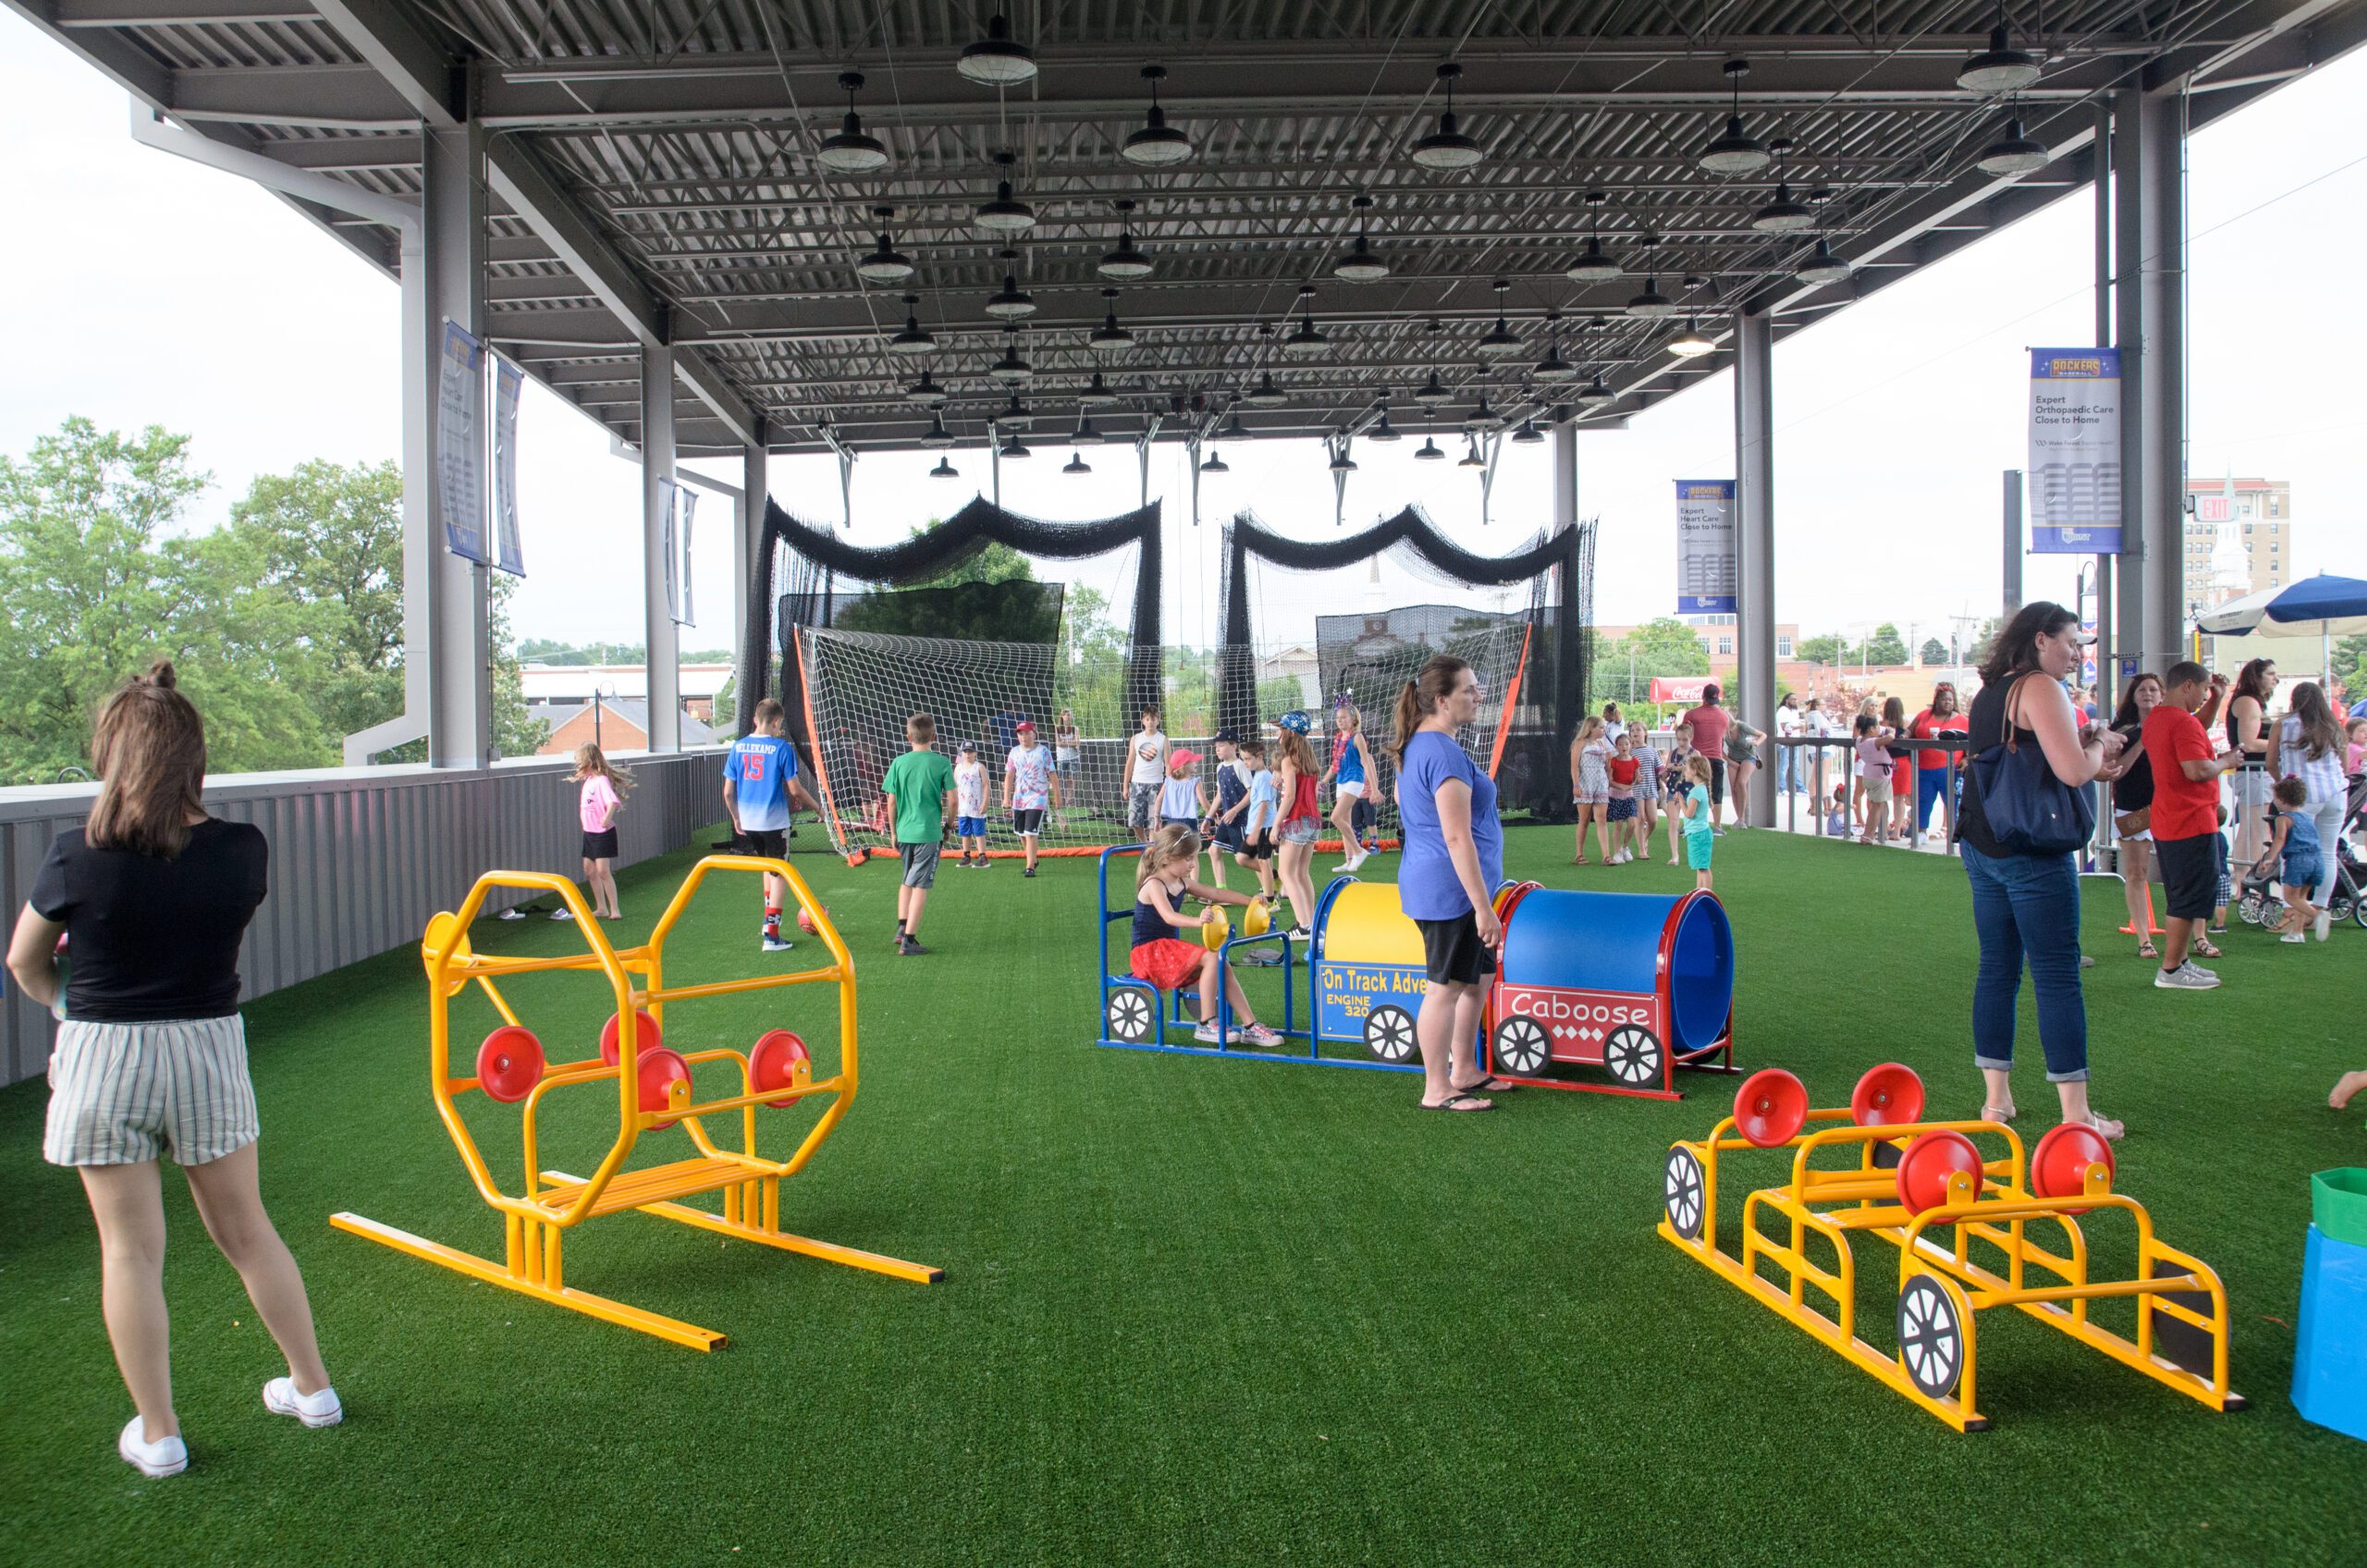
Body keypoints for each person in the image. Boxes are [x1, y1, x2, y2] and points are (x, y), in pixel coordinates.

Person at [6, 663, 339, 1477]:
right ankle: (314, 1389)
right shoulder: (242, 851)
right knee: (247, 1231)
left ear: (112, 756)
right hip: (207, 1050)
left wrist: (67, 1000)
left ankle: (158, 1434)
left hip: (102, 1055)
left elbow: (23, 961)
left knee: (130, 1254)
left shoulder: (72, 856)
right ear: (193, 756)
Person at [1954, 602, 2127, 1137]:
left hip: (1984, 845)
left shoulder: (1989, 693)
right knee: (2056, 974)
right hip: (2032, 850)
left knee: (1997, 969)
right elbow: (2074, 770)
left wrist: (2088, 750)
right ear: (2040, 640)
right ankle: (2076, 1114)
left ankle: (1996, 1101)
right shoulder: (2040, 688)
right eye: (2071, 642)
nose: (2078, 653)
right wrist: (2100, 743)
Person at [1391, 655, 1510, 1111]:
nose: (1478, 697)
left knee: (1476, 978)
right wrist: (1482, 906)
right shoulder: (1440, 751)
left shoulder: (1423, 746)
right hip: (1450, 891)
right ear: (1441, 700)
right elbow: (1456, 837)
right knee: (1445, 987)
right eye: (1469, 690)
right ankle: (1436, 1088)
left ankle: (1464, 1069)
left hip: (1447, 884)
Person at [1128, 824, 1285, 1047]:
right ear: (1167, 859)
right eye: (1188, 859)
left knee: (1223, 963)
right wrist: (1198, 921)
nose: (1192, 865)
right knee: (1212, 957)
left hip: (1167, 948)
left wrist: (1251, 900)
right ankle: (1206, 1023)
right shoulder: (1154, 884)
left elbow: (1216, 893)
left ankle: (1250, 1026)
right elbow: (1169, 917)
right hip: (1149, 953)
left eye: (1193, 858)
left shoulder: (1182, 881)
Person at [2146, 664, 2238, 987]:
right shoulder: (2180, 722)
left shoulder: (2159, 717)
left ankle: (2179, 961)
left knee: (2180, 895)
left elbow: (2195, 728)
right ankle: (2171, 969)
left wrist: (2216, 698)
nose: (2203, 697)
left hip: (2170, 819)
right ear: (2187, 686)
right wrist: (2227, 761)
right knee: (2188, 897)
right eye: (2202, 691)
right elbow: (2197, 770)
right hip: (2190, 820)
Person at [722, 701, 816, 949]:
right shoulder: (781, 748)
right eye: (780, 725)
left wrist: (736, 818)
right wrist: (818, 808)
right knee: (780, 874)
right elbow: (795, 789)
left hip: (749, 823)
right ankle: (771, 935)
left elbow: (728, 792)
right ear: (776, 722)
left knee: (767, 868)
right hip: (773, 822)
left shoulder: (738, 747)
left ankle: (767, 923)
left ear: (755, 719)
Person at [2268, 681, 2349, 938]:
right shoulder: (2333, 726)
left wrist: (2284, 784)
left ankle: (2292, 908)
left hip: (2303, 796)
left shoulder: (2284, 725)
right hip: (2335, 793)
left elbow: (2271, 762)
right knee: (2326, 852)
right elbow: (2345, 765)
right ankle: (2319, 905)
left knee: (2294, 853)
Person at [880, 712, 957, 956]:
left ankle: (902, 928)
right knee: (921, 885)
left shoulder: (898, 763)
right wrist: (949, 826)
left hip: (904, 833)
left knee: (906, 880)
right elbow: (953, 801)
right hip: (928, 833)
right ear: (934, 736)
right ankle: (909, 941)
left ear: (908, 736)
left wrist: (893, 831)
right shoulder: (942, 763)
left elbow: (890, 802)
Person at [2107, 673, 2165, 959]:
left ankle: (2198, 935)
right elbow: (2114, 770)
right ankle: (2144, 938)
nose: (2148, 694)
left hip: (2169, 805)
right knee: (2137, 872)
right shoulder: (2122, 730)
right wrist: (2142, 741)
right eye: (2142, 689)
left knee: (2179, 870)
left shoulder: (2173, 724)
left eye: (2154, 689)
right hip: (2134, 806)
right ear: (2133, 695)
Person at [2252, 777, 2325, 944]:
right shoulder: (2307, 817)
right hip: (2316, 860)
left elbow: (2280, 839)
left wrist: (2270, 858)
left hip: (2298, 861)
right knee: (2302, 896)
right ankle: (2297, 932)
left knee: (2291, 897)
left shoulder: (2283, 819)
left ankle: (2318, 915)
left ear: (2282, 799)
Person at [2225, 657, 2279, 876]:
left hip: (2254, 772)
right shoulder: (2248, 702)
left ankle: (2244, 879)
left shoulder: (2249, 701)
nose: (2276, 679)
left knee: (2251, 826)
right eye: (2270, 674)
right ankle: (2250, 878)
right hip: (2254, 772)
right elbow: (2248, 742)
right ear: (2256, 677)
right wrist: (2281, 743)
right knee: (2257, 828)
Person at [1273, 715, 1325, 940]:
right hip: (1312, 821)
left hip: (1296, 821)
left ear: (1290, 733)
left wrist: (1276, 825)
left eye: (1281, 729)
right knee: (1302, 872)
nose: (1278, 734)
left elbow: (1290, 796)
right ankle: (1311, 923)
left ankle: (1304, 925)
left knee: (1286, 872)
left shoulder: (1289, 760)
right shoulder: (1309, 761)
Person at [570, 741, 632, 924]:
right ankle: (601, 907)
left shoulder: (601, 781)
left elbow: (613, 802)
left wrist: (606, 817)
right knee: (589, 870)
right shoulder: (589, 781)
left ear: (590, 762)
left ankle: (614, 909)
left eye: (581, 762)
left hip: (602, 834)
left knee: (603, 870)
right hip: (589, 833)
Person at [1000, 718, 1060, 878]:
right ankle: (1033, 858)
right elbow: (1009, 775)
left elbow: (1052, 774)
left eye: (1027, 733)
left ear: (1034, 733)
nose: (1024, 736)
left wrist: (1057, 796)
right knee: (1021, 833)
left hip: (1037, 798)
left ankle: (1029, 866)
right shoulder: (1014, 752)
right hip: (1019, 799)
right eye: (1020, 733)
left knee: (1030, 832)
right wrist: (1006, 797)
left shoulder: (1043, 751)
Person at [1907, 683, 1968, 839]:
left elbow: (1972, 742)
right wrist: (1904, 736)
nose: (1948, 702)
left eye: (1950, 699)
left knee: (1953, 802)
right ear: (1936, 700)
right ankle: (1921, 832)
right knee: (1923, 800)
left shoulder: (1962, 720)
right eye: (1944, 699)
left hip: (1949, 768)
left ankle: (1957, 834)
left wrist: (1966, 759)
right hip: (1923, 766)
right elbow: (1910, 730)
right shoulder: (1924, 715)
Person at [1322, 704, 1374, 873]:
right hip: (1341, 781)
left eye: (1343, 717)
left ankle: (1359, 851)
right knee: (1345, 820)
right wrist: (1322, 781)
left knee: (1335, 817)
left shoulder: (1357, 737)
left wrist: (1374, 788)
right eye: (1337, 718)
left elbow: (1366, 763)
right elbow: (1334, 765)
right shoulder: (1338, 739)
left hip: (1354, 780)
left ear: (1353, 719)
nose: (1340, 720)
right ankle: (1349, 859)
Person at [1201, 730, 1251, 890]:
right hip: (1227, 819)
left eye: (1221, 745)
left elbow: (1252, 793)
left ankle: (1271, 882)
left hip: (1241, 819)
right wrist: (1208, 818)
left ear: (1234, 746)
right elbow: (1219, 796)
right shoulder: (1220, 768)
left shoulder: (1241, 766)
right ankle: (1221, 889)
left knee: (1245, 858)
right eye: (1216, 746)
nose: (1217, 749)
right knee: (1214, 850)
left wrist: (1235, 810)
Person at [1236, 738, 1280, 903]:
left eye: (1248, 759)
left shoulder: (1263, 777)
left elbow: (1263, 805)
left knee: (1263, 861)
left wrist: (1255, 831)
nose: (1245, 762)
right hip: (1255, 826)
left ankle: (1270, 900)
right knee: (1242, 858)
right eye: (1243, 759)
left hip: (1263, 827)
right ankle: (1274, 876)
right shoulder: (1259, 775)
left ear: (1260, 757)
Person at [1682, 686, 1733, 829]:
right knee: (1716, 791)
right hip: (1716, 758)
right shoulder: (1724, 716)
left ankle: (1689, 823)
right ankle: (1717, 826)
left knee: (1692, 790)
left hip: (1698, 758)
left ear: (1703, 697)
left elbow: (1684, 733)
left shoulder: (1692, 715)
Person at [1570, 715, 1612, 864]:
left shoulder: (1601, 744)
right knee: (1584, 819)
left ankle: (1606, 855)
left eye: (1604, 728)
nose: (1603, 730)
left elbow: (1606, 767)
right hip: (1585, 783)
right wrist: (1576, 784)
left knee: (1602, 819)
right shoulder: (1580, 743)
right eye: (1601, 727)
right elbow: (1574, 767)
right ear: (1591, 728)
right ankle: (1579, 854)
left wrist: (1608, 760)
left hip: (1600, 782)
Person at [1126, 708, 1167, 841]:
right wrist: (1125, 786)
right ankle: (1145, 845)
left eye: (1153, 719)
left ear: (1158, 721)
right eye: (1148, 719)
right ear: (1143, 721)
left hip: (1156, 784)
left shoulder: (1163, 740)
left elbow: (1169, 763)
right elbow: (1130, 763)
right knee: (1134, 821)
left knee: (1153, 821)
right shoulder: (1136, 738)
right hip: (1137, 783)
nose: (1150, 722)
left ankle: (1152, 849)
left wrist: (1168, 784)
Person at [1852, 716, 1894, 846]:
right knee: (1877, 806)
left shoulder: (1859, 741)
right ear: (1871, 729)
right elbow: (1890, 738)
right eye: (1876, 727)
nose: (1879, 729)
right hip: (1879, 776)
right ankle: (1868, 835)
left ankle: (1882, 831)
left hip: (1869, 774)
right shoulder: (1873, 742)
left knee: (1879, 804)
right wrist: (1891, 731)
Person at [1662, 721, 1698, 866]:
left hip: (1690, 789)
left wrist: (1684, 769)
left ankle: (1694, 852)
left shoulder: (1695, 753)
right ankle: (1674, 855)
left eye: (1685, 739)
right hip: (1674, 789)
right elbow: (1665, 772)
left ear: (1691, 738)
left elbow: (1698, 773)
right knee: (1673, 821)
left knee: (1693, 821)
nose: (1681, 742)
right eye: (1679, 739)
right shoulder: (1673, 752)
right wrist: (1667, 769)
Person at [1880, 695, 1915, 842]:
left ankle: (1883, 829)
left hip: (1884, 761)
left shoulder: (1882, 725)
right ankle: (1897, 832)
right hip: (1903, 762)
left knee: (1882, 798)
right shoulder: (1907, 725)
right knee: (1899, 799)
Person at [1680, 754, 1717, 891]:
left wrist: (1682, 802)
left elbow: (1689, 814)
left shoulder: (1696, 791)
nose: (1685, 772)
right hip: (1699, 833)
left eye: (1687, 769)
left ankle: (1705, 893)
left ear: (1694, 770)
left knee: (1703, 867)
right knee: (1700, 866)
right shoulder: (1701, 790)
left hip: (1698, 834)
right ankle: (1699, 891)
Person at [1605, 729, 1642, 864]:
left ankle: (1625, 847)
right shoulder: (1614, 761)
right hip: (1615, 796)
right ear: (1616, 747)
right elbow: (1609, 780)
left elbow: (1636, 777)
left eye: (1626, 744)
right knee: (1618, 825)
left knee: (1632, 824)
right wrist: (1621, 786)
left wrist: (1638, 779)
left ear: (1631, 745)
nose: (1624, 747)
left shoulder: (1635, 761)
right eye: (1620, 744)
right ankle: (1616, 853)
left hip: (1629, 796)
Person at [952, 741, 991, 870]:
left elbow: (986, 785)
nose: (968, 754)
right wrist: (954, 803)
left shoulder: (979, 767)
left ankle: (982, 857)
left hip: (976, 807)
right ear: (961, 753)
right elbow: (954, 786)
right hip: (963, 807)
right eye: (965, 751)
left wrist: (985, 802)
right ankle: (966, 856)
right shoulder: (958, 768)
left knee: (979, 832)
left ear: (975, 753)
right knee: (965, 832)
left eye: (970, 751)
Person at [1724, 713, 1765, 829]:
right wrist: (1731, 762)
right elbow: (1718, 749)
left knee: (1741, 783)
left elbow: (1763, 735)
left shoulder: (1741, 726)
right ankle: (1739, 819)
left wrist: (1757, 743)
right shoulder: (1722, 731)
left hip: (1748, 756)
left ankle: (1742, 818)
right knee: (1733, 788)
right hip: (1732, 758)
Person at [1052, 709, 1082, 825]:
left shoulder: (1075, 729)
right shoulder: (1057, 728)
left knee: (1071, 779)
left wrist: (1067, 742)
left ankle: (1069, 801)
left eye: (1070, 715)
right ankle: (1059, 799)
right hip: (1061, 758)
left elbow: (1077, 742)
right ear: (1062, 717)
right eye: (1067, 715)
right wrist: (1071, 742)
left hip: (1073, 757)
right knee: (1059, 780)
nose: (1069, 717)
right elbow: (1058, 743)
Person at [1774, 692, 1803, 798]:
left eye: (1796, 699)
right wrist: (1799, 727)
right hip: (1785, 742)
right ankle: (1782, 788)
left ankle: (1800, 788)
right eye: (1793, 699)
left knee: (1795, 766)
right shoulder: (1783, 711)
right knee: (1784, 766)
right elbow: (1784, 726)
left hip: (1795, 741)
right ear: (1786, 700)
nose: (1795, 701)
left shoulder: (1794, 711)